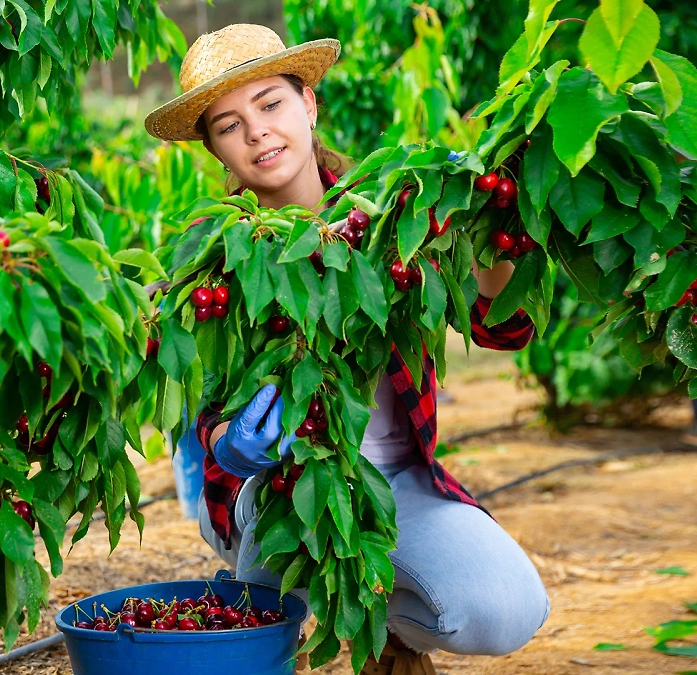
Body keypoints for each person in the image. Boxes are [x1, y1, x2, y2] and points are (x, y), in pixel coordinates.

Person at [144, 24, 550, 674]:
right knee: (258, 639)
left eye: (271, 104)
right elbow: (203, 399)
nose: (257, 133)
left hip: (397, 480)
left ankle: (388, 629)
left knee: (504, 608)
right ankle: (282, 589)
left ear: (309, 104)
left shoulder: (393, 215)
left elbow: (507, 327)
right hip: (279, 482)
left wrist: (489, 223)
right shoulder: (218, 251)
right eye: (228, 124)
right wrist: (226, 443)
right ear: (215, 148)